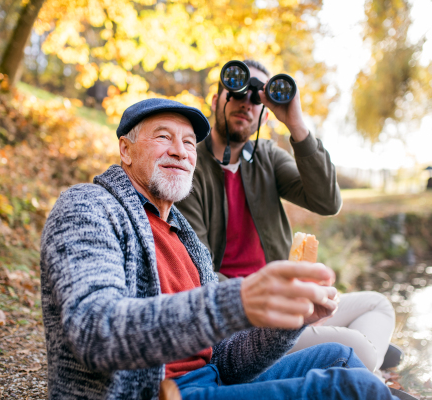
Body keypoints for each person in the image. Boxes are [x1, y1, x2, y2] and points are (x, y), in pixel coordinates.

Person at [40, 98, 402, 399]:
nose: (180, 152)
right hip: (156, 393)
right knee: (351, 388)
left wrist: (290, 322)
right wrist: (238, 299)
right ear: (126, 149)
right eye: (163, 137)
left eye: (187, 143)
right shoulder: (88, 207)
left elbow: (226, 358)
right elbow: (94, 331)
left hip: (210, 383)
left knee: (341, 356)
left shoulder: (187, 239)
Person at [176, 60, 398, 373]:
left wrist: (296, 125)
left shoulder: (267, 157)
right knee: (359, 347)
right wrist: (266, 296)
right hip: (238, 318)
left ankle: (331, 360)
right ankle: (352, 359)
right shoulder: (189, 168)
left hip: (287, 305)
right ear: (215, 101)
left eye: (257, 98)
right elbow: (199, 271)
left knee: (378, 305)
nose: (246, 104)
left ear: (265, 112)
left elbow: (327, 200)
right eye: (238, 93)